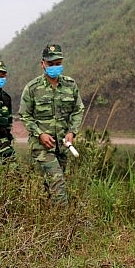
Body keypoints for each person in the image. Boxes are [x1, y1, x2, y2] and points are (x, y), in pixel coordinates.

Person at [19, 44, 85, 205]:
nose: (54, 67)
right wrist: (40, 134)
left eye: (58, 63)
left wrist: (72, 132)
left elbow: (78, 109)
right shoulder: (33, 88)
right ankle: (63, 221)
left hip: (62, 145)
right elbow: (25, 115)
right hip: (41, 146)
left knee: (51, 185)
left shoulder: (70, 85)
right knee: (58, 181)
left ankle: (45, 216)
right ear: (43, 64)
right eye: (50, 64)